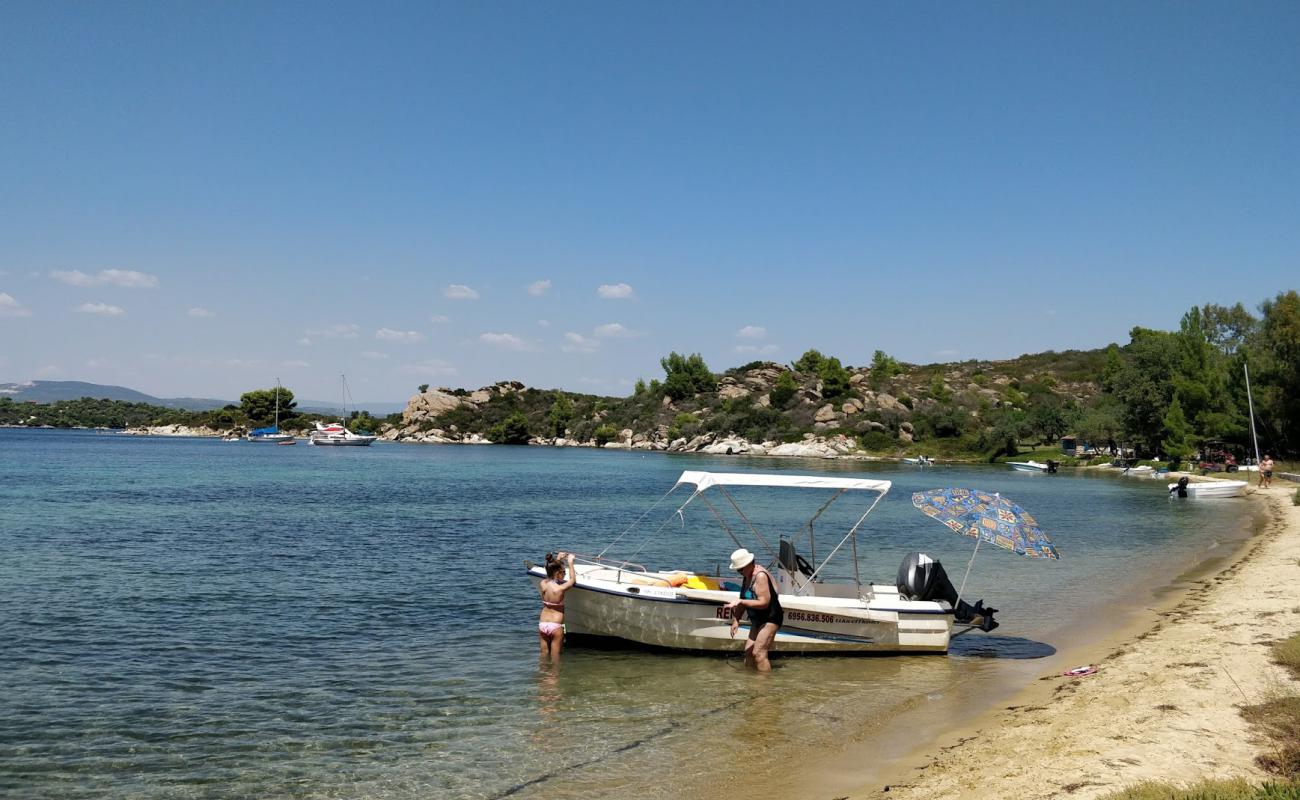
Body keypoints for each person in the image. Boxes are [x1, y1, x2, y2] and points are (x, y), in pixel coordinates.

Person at [722, 548, 783, 673]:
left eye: (740, 569)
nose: (739, 572)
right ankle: (749, 681)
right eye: (737, 569)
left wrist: (741, 602)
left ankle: (763, 687)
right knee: (749, 653)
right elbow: (743, 599)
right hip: (757, 618)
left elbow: (764, 602)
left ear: (749, 564)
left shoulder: (760, 576)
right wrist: (736, 620)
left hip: (770, 618)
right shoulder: (747, 576)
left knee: (759, 653)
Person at [538, 551, 576, 660]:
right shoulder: (560, 589)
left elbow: (550, 574)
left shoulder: (543, 584)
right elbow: (573, 580)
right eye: (563, 572)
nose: (564, 574)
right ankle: (554, 676)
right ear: (558, 573)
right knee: (555, 658)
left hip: (542, 625)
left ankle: (543, 676)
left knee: (543, 655)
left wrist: (558, 559)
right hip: (556, 626)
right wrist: (570, 562)